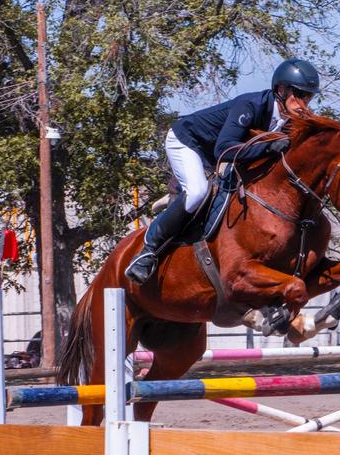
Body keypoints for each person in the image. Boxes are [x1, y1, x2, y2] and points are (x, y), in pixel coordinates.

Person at [124, 58, 321, 285]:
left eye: (308, 97)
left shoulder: (288, 120)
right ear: (280, 90)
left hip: (212, 154)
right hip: (188, 141)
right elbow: (224, 149)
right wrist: (267, 147)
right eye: (299, 94)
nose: (304, 103)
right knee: (198, 192)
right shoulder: (251, 106)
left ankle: (178, 196)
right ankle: (147, 253)